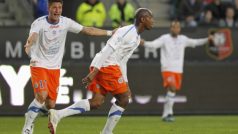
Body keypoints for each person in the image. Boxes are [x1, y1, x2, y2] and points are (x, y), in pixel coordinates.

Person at [47, 8, 153, 134]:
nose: (153, 21)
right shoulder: (127, 31)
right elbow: (108, 49)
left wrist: (126, 82)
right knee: (124, 99)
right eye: (150, 18)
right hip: (106, 65)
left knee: (96, 102)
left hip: (104, 65)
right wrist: (95, 71)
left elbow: (122, 61)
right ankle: (106, 132)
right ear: (142, 19)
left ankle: (58, 115)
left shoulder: (136, 38)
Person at [21, 0, 115, 133]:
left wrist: (110, 33)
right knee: (41, 95)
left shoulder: (65, 22)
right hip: (39, 63)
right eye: (54, 7)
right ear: (49, 8)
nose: (57, 10)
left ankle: (33, 111)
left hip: (54, 68)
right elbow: (33, 36)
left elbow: (88, 30)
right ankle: (27, 127)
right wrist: (29, 44)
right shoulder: (39, 23)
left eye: (60, 7)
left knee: (50, 105)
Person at [140, 20, 213, 122]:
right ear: (171, 28)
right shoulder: (165, 38)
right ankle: (169, 113)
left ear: (180, 29)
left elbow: (195, 42)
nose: (176, 29)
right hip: (167, 68)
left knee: (171, 92)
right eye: (174, 27)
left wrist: (207, 40)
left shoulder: (183, 39)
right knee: (172, 88)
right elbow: (154, 44)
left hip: (178, 70)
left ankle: (165, 115)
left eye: (178, 27)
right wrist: (145, 43)